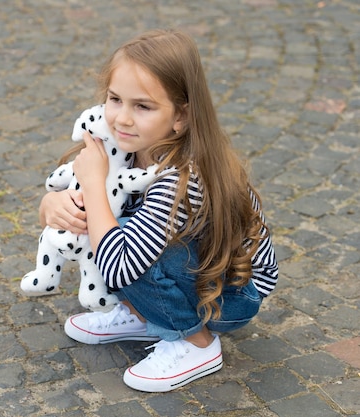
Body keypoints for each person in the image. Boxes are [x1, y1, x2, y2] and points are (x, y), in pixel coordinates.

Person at [38, 29, 278, 393]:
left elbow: (120, 263)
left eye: (143, 106)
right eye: (115, 99)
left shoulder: (183, 177)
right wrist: (52, 205)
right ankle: (143, 314)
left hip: (231, 295)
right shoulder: (125, 148)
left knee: (120, 242)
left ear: (180, 117)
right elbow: (76, 209)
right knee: (111, 225)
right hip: (196, 272)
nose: (122, 119)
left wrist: (93, 187)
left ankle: (195, 343)